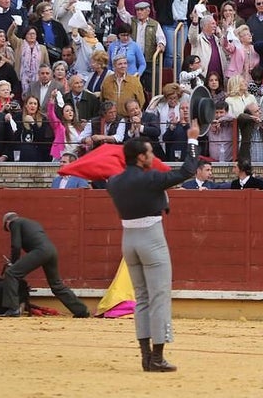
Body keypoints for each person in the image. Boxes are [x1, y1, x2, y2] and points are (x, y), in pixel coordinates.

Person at [105, 128, 199, 372]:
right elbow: (188, 170)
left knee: (142, 298)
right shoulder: (151, 179)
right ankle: (157, 358)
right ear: (140, 157)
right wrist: (192, 139)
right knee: (159, 297)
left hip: (129, 240)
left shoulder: (114, 182)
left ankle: (146, 357)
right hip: (151, 239)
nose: (153, 156)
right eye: (149, 152)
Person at [0, 212, 90, 318]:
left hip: (40, 251)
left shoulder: (14, 223)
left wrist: (12, 263)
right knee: (56, 285)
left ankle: (13, 309)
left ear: (7, 222)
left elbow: (16, 246)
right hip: (51, 251)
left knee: (11, 273)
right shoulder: (32, 223)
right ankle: (81, 310)